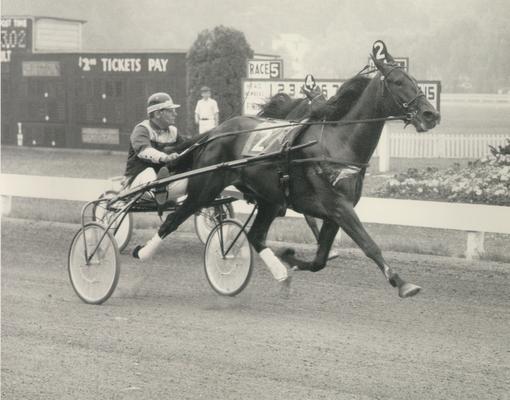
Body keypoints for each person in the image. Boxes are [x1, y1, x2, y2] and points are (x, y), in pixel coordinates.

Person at [123, 92, 189, 204]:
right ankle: (159, 191)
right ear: (158, 113)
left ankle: (162, 191)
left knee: (189, 174)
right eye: (171, 111)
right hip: (136, 180)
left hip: (162, 181)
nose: (175, 114)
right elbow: (144, 151)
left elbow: (186, 148)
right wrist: (166, 158)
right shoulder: (142, 129)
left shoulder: (173, 131)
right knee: (149, 172)